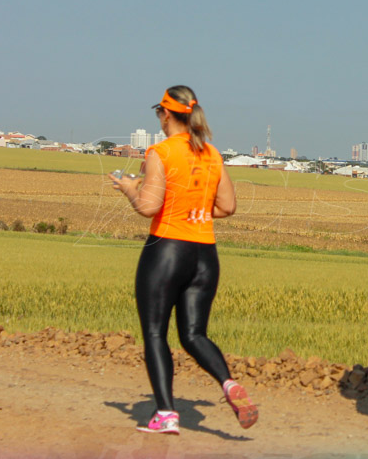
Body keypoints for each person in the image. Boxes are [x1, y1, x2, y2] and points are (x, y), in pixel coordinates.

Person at [110, 85, 258, 435]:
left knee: (155, 332)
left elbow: (148, 207)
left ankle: (166, 414)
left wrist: (130, 188)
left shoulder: (160, 152)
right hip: (205, 254)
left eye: (158, 113)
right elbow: (227, 207)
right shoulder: (212, 153)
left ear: (165, 114)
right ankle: (227, 384)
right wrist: (194, 209)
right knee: (193, 334)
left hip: (167, 250)